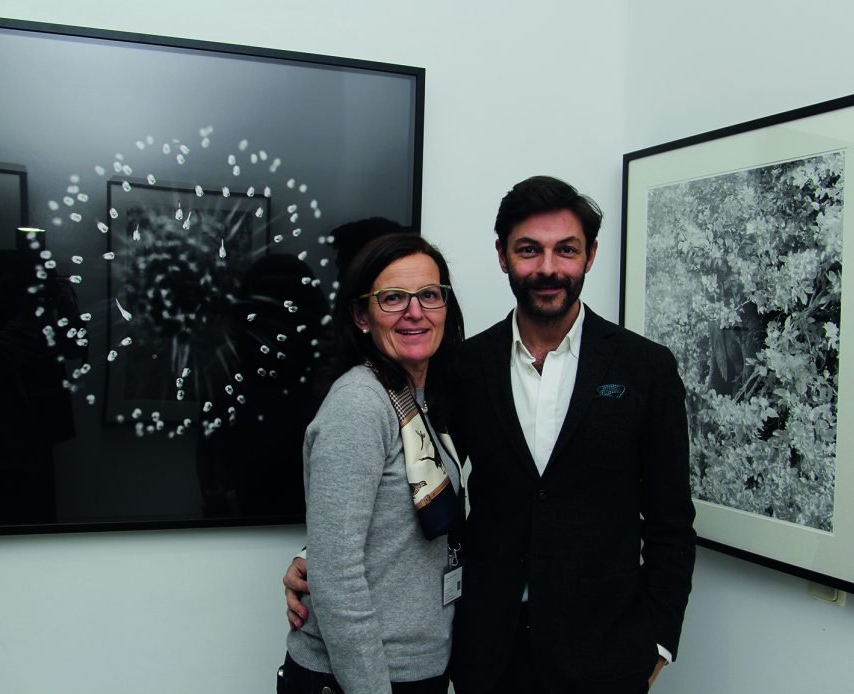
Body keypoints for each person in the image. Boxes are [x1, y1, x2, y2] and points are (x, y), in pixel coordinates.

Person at [285, 176, 696, 693]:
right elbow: (396, 470)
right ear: (503, 256)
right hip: (486, 650)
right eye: (529, 250)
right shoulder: (459, 367)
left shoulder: (646, 369)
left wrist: (659, 637)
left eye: (565, 250)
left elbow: (671, 523)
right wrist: (314, 555)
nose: (547, 268)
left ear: (590, 256)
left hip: (604, 654)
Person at [279, 233, 466, 694]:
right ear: (362, 316)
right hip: (361, 678)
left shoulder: (417, 400)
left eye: (429, 295)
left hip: (413, 667)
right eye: (393, 298)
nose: (415, 311)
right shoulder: (360, 405)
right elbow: (338, 576)